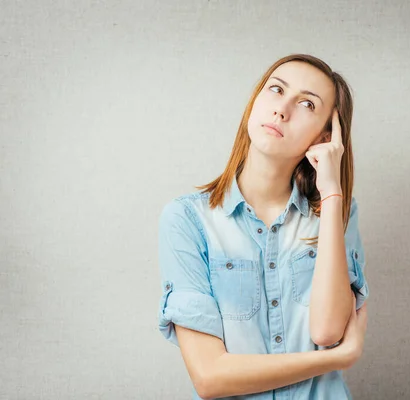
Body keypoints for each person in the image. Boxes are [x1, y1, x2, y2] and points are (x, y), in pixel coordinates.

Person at [157, 53, 370, 399]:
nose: (282, 110)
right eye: (276, 89)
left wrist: (332, 194)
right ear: (255, 100)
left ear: (326, 137)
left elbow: (327, 331)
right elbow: (210, 377)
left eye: (307, 104)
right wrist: (339, 358)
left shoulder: (336, 214)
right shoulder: (186, 220)